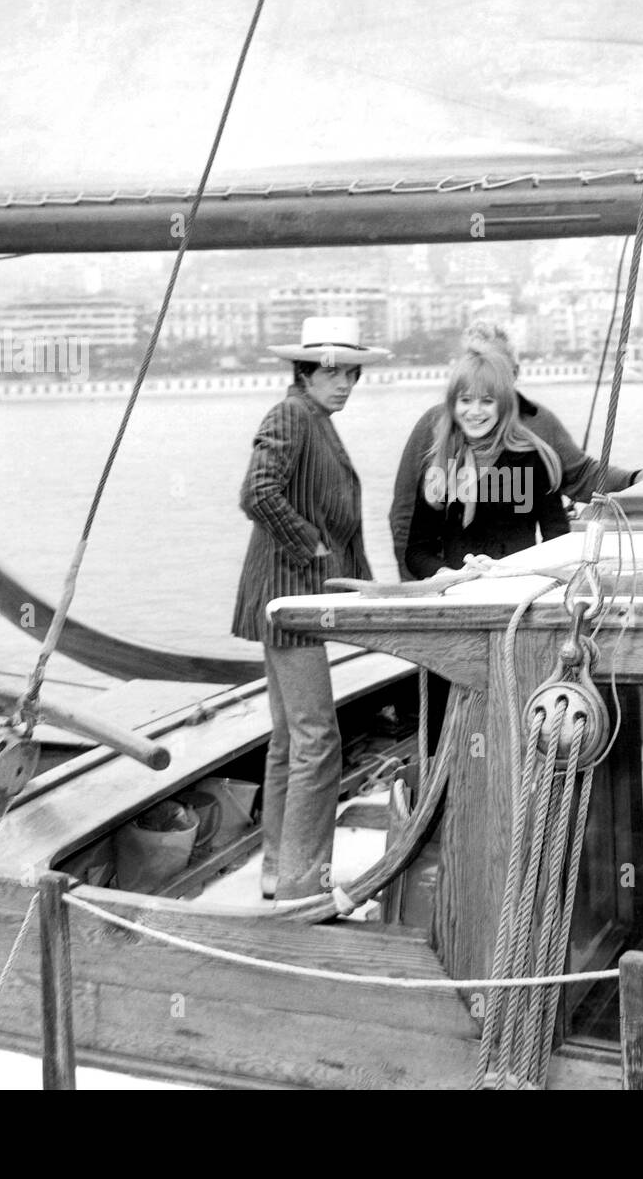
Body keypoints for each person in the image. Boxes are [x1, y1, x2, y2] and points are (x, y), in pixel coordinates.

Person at [231, 315, 389, 909]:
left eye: (352, 373)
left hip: (293, 600)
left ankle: (278, 871)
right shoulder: (292, 414)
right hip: (289, 600)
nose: (345, 383)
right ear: (305, 371)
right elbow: (257, 492)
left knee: (289, 741)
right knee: (318, 739)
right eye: (333, 372)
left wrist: (366, 593)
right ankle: (304, 886)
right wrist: (311, 545)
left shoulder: (316, 419)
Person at [390, 322, 643, 578]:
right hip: (449, 580)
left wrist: (636, 479)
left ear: (513, 373)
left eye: (496, 369)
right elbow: (407, 520)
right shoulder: (434, 429)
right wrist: (422, 583)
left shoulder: (539, 429)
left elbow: (582, 475)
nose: (475, 410)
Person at [404, 348, 571, 579]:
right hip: (458, 591)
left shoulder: (534, 460)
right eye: (465, 400)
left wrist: (517, 571)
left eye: (487, 401)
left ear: (504, 405)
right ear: (453, 405)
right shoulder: (440, 466)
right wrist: (445, 574)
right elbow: (417, 551)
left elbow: (557, 539)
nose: (475, 411)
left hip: (517, 588)